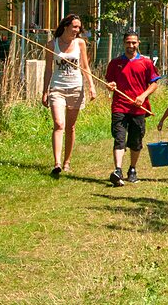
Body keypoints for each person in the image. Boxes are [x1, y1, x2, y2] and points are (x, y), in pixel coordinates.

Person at [41, 14, 96, 177]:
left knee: (70, 127)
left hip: (75, 88)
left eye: (79, 28)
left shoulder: (80, 43)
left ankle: (67, 162)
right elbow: (48, 69)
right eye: (74, 27)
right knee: (59, 123)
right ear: (65, 26)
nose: (77, 30)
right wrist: (45, 91)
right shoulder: (52, 44)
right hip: (57, 88)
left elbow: (85, 66)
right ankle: (57, 163)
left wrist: (91, 86)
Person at [104, 31, 160, 187]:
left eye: (133, 42)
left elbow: (154, 83)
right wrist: (111, 86)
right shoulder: (115, 63)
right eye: (128, 42)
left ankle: (132, 169)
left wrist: (143, 96)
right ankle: (118, 170)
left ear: (138, 43)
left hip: (138, 108)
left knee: (136, 141)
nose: (131, 45)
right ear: (123, 43)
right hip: (119, 105)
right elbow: (110, 83)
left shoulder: (146, 62)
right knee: (119, 138)